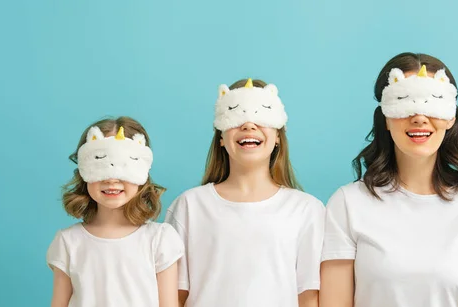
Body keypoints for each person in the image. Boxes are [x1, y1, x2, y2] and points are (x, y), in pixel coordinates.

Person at [319, 53, 458, 307]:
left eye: (432, 103)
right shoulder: (348, 204)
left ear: (450, 116)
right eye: (405, 101)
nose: (419, 116)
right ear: (386, 116)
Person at [165, 78, 325, 307]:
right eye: (237, 116)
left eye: (261, 117)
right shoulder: (189, 206)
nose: (249, 125)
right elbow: (175, 296)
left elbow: (308, 297)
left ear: (278, 136)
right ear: (221, 137)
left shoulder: (307, 210)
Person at [47, 116, 184, 307]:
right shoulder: (68, 242)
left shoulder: (160, 240)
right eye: (101, 165)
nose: (111, 179)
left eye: (123, 167)